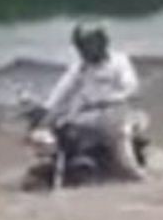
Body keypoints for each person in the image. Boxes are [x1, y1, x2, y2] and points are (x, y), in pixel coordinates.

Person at [43, 24, 146, 181]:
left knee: (123, 152)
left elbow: (131, 87)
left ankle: (136, 174)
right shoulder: (80, 67)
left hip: (115, 112)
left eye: (86, 46)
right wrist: (46, 108)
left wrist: (107, 98)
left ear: (100, 43)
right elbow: (63, 88)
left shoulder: (119, 62)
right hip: (87, 115)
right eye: (80, 47)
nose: (83, 51)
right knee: (62, 130)